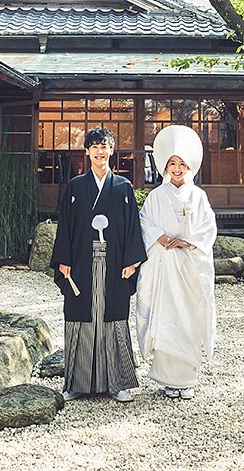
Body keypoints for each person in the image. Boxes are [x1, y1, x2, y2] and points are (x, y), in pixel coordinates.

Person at [50, 126, 147, 402]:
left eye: (104, 146)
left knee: (114, 316)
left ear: (112, 150)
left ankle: (117, 383)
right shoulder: (76, 186)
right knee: (79, 315)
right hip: (81, 261)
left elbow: (132, 226)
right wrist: (64, 260)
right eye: (94, 147)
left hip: (115, 262)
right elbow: (65, 226)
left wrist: (132, 260)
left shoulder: (123, 187)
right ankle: (76, 383)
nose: (100, 151)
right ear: (87, 151)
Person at [135, 125, 217, 400]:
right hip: (164, 265)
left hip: (189, 267)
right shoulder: (156, 196)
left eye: (182, 163)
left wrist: (186, 241)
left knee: (188, 318)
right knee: (166, 316)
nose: (177, 168)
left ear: (189, 166)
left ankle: (187, 379)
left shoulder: (199, 196)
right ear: (165, 166)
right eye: (172, 163)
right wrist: (159, 237)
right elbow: (144, 222)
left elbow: (208, 228)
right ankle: (168, 379)